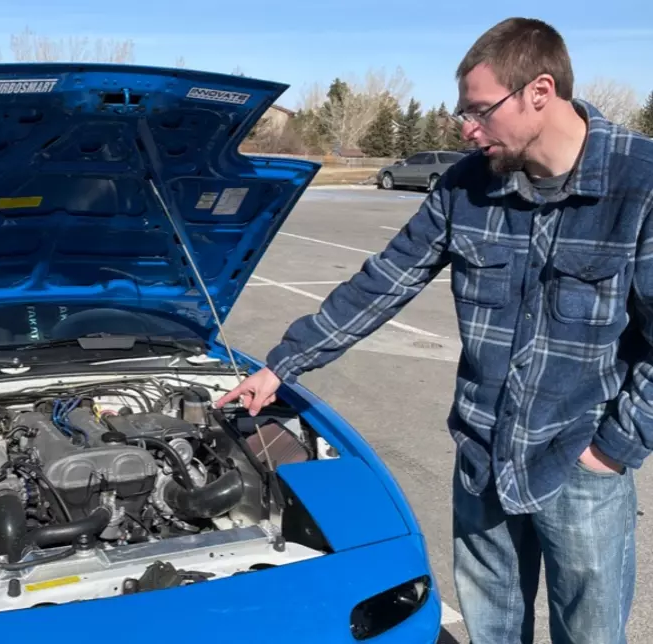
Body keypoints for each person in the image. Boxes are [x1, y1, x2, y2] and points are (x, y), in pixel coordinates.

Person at [215, 17, 651, 644]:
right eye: (462, 115)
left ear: (540, 91)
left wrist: (613, 449)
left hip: (577, 461)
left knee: (589, 633)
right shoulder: (466, 186)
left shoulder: (639, 183)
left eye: (480, 111)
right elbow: (383, 281)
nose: (469, 130)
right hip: (480, 453)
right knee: (493, 626)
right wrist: (283, 365)